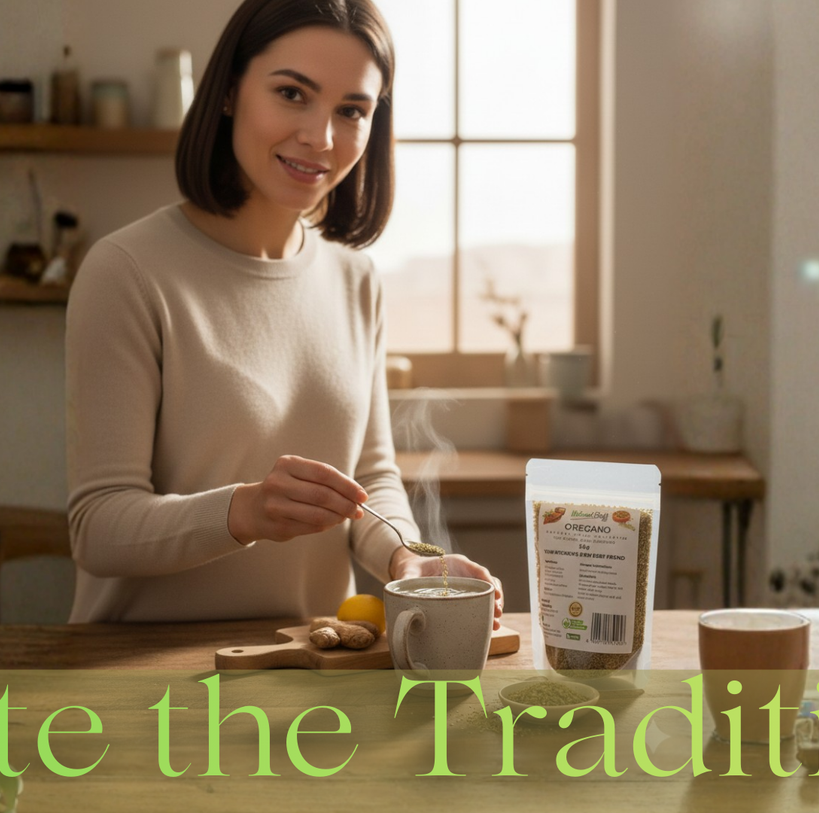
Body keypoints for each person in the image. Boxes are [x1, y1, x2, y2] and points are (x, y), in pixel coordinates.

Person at [64, 0, 504, 629]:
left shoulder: (355, 281)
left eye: (352, 110)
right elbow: (98, 528)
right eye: (293, 93)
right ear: (228, 92)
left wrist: (408, 559)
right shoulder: (127, 272)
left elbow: (371, 480)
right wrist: (244, 512)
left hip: (315, 664)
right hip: (142, 679)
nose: (321, 137)